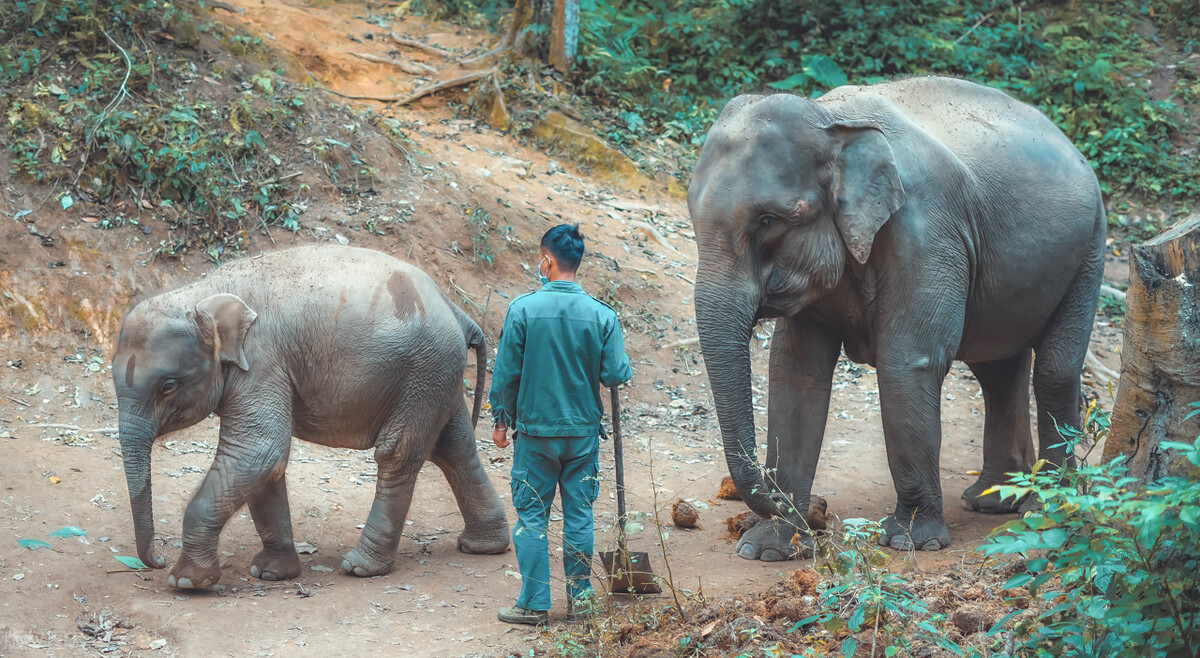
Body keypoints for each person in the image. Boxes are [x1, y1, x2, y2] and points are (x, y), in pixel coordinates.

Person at [489, 224, 632, 626]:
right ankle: (581, 604)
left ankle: (533, 605)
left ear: (546, 260)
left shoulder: (523, 309)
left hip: (535, 434)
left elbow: (506, 374)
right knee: (579, 515)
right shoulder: (603, 315)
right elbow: (616, 373)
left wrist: (501, 420)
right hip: (583, 434)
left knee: (532, 516)